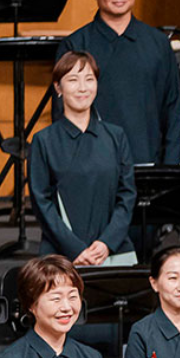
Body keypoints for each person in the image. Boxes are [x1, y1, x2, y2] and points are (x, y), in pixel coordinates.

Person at [54, 0, 180, 166]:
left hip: (149, 164)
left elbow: (173, 109)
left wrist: (170, 166)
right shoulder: (75, 45)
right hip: (93, 168)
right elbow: (62, 114)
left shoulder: (158, 43)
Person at [30, 51, 137, 266]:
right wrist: (75, 248)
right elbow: (41, 203)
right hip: (62, 253)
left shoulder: (116, 136)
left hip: (112, 251)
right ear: (58, 88)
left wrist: (107, 242)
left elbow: (127, 195)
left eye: (89, 79)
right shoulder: (44, 140)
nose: (82, 88)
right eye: (72, 80)